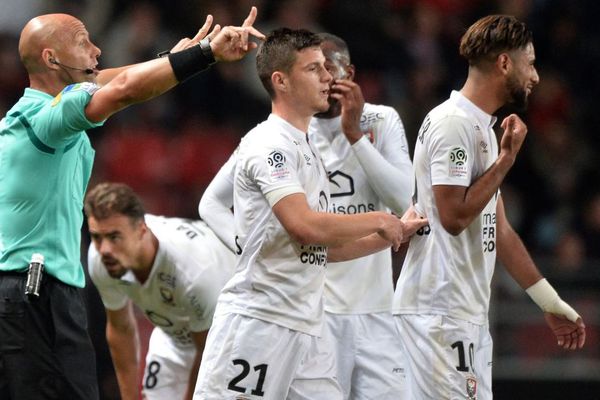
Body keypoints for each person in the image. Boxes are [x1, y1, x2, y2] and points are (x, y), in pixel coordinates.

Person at [0, 9, 264, 400]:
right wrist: (204, 55)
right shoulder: (46, 120)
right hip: (34, 294)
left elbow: (106, 80)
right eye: (82, 42)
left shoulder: (33, 113)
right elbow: (121, 88)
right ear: (51, 59)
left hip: (31, 294)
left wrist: (170, 62)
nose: (97, 49)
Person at [194, 28, 427, 399]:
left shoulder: (307, 147)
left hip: (307, 325)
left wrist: (393, 232)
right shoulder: (269, 144)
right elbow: (304, 226)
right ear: (281, 81)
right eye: (314, 69)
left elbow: (325, 250)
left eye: (327, 68)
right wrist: (380, 220)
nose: (327, 77)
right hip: (260, 321)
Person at [392, 14, 586, 399]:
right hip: (438, 311)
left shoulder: (481, 128)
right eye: (530, 64)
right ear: (504, 63)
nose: (535, 77)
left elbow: (497, 229)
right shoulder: (453, 124)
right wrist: (505, 162)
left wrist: (549, 302)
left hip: (463, 314)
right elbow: (453, 216)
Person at [85, 182, 235, 400]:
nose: (105, 249)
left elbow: (208, 354)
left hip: (230, 338)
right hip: (174, 334)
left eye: (115, 237)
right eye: (97, 237)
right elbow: (121, 328)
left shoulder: (193, 271)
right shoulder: (102, 260)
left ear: (141, 231)